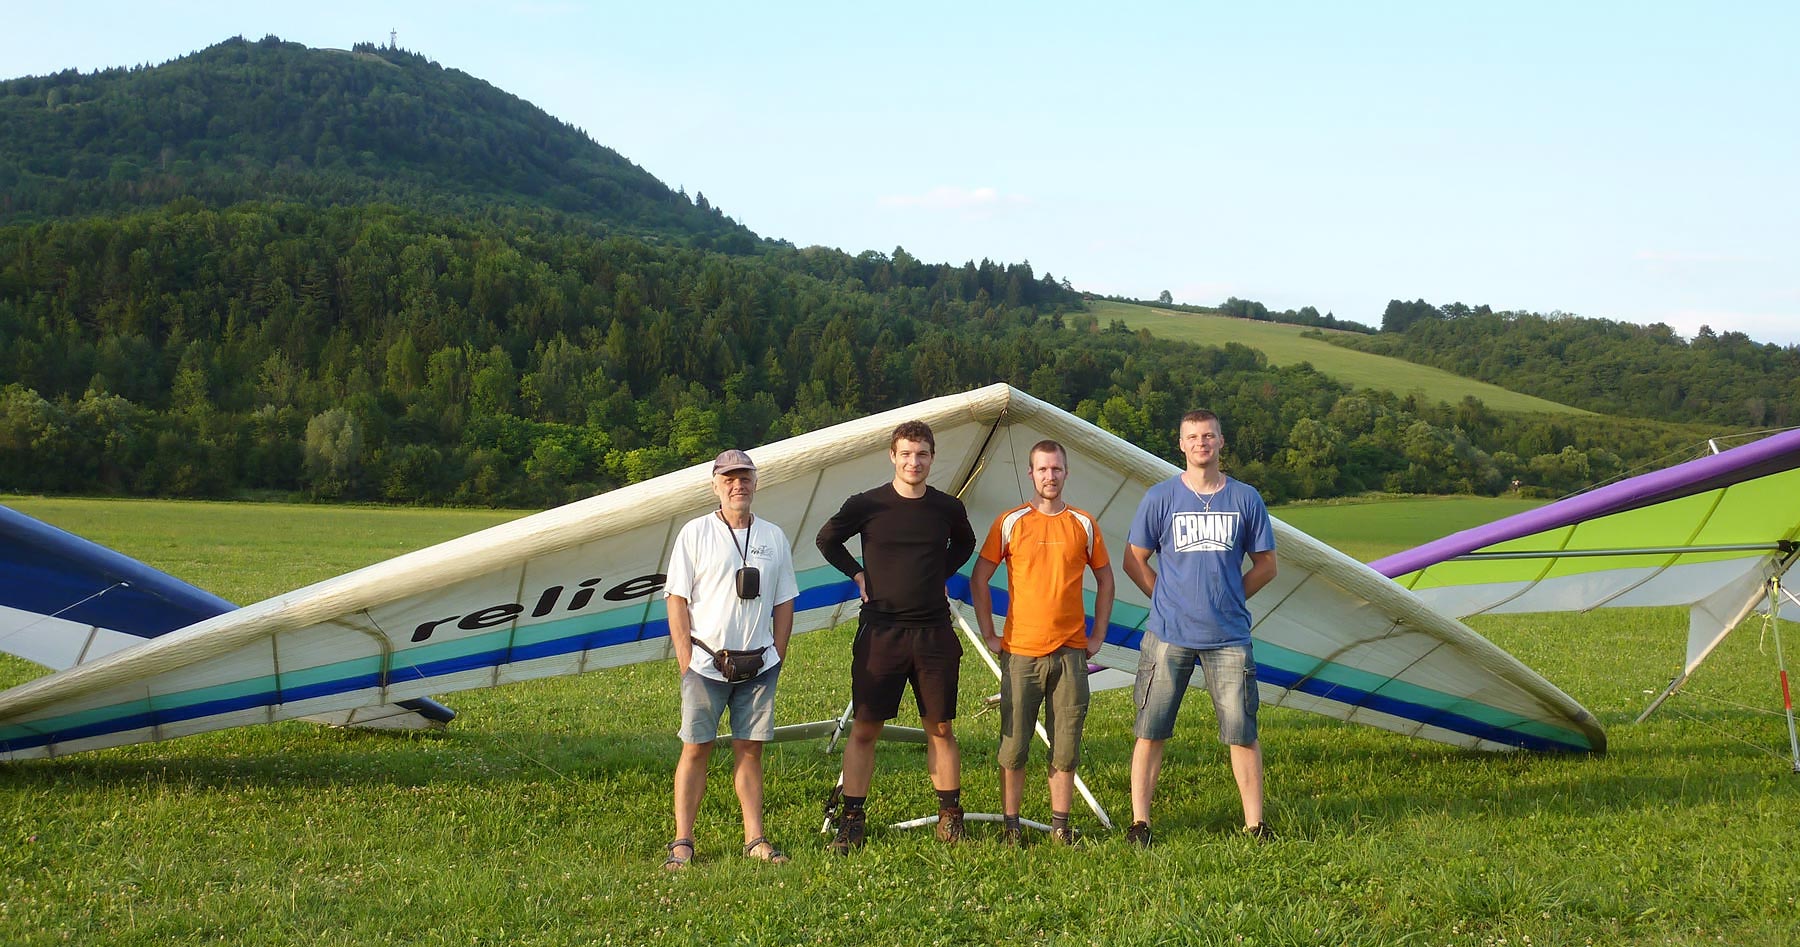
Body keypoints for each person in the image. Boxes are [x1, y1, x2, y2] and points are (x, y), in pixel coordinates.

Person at [815, 420, 977, 853]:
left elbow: (965, 544)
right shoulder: (867, 504)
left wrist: (938, 573)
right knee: (866, 726)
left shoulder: (947, 508)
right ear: (893, 456)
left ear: (932, 458)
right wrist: (858, 574)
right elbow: (827, 539)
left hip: (933, 632)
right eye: (906, 453)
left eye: (921, 454)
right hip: (881, 631)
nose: (913, 462)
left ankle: (950, 817)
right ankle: (852, 820)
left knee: (940, 727)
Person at [1122, 409, 1277, 848]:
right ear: (1181, 445)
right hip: (1168, 633)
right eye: (1192, 437)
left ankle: (1255, 825)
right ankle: (1140, 823)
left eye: (1208, 436)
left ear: (1221, 442)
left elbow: (1267, 565)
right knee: (1150, 729)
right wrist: (1165, 597)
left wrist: (1231, 597)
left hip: (1228, 636)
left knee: (1242, 731)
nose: (1201, 443)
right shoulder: (1161, 497)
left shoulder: (1245, 498)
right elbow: (1134, 559)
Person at [971, 439, 1115, 845]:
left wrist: (1098, 634)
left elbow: (1106, 580)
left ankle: (1060, 827)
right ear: (1030, 474)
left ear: (1066, 473)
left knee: (1065, 745)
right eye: (1042, 469)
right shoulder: (1010, 522)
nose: (1049, 476)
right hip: (1021, 652)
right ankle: (1011, 825)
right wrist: (989, 633)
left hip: (1071, 653)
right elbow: (979, 578)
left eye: (1056, 469)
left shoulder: (1083, 523)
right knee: (1014, 744)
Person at [662, 449, 799, 870]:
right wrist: (685, 658)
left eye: (745, 478)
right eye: (729, 479)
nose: (738, 485)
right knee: (696, 749)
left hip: (759, 665)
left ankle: (755, 838)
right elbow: (676, 598)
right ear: (715, 486)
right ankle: (683, 841)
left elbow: (785, 599)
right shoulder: (695, 532)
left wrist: (777, 653)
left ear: (756, 483)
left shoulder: (774, 537)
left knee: (750, 750)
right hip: (705, 664)